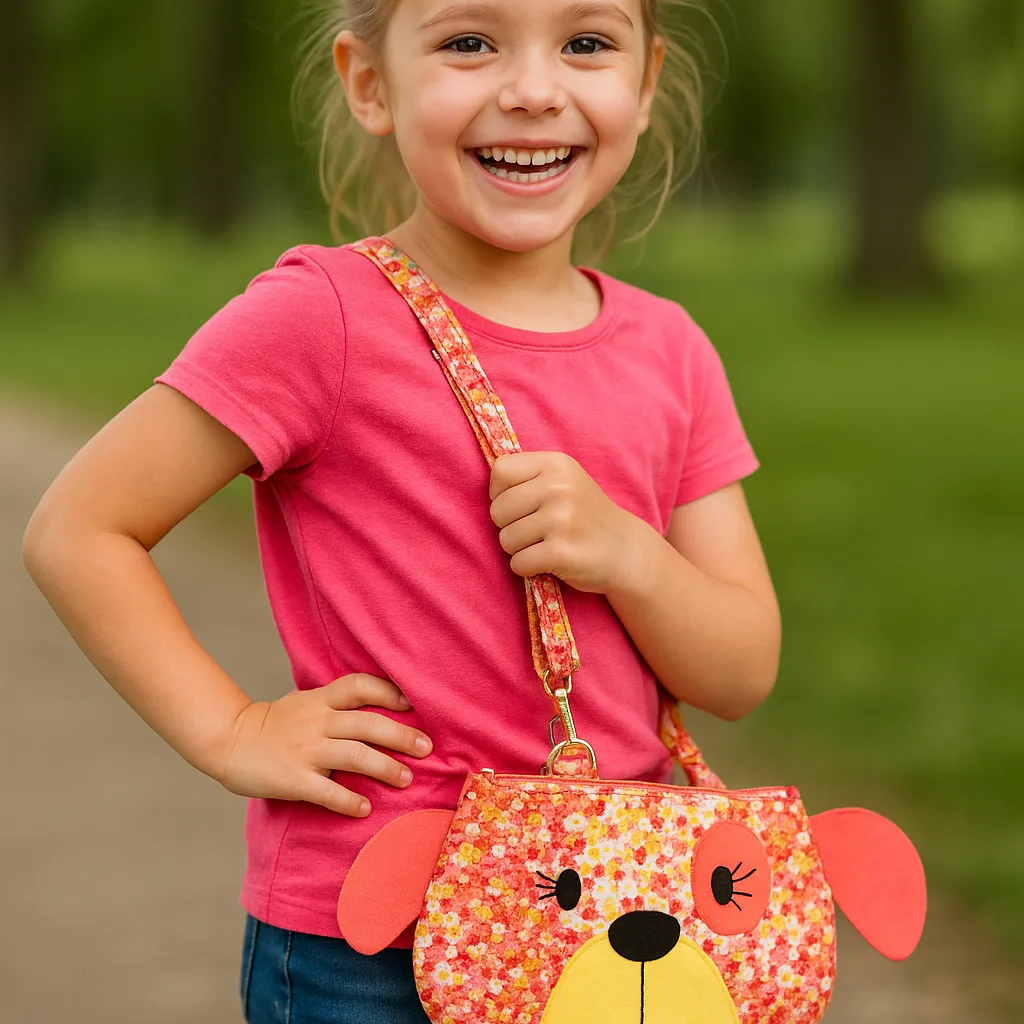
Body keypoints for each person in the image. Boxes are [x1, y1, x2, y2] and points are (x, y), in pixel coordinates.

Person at [21, 1, 782, 1021]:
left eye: (586, 43)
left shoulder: (670, 351)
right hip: (369, 939)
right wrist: (233, 727)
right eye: (470, 41)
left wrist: (631, 556)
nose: (532, 87)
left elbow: (740, 670)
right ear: (370, 82)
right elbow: (80, 528)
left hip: (608, 923)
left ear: (644, 85)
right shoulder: (321, 319)